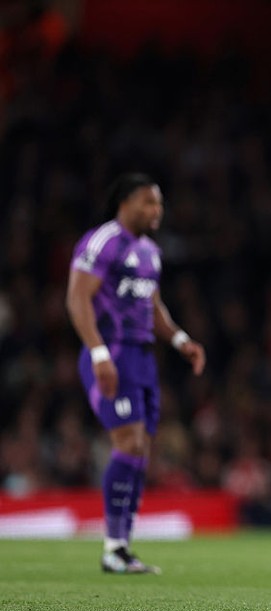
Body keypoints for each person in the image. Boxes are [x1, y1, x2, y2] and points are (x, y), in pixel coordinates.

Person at [66, 173, 206, 574]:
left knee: (141, 448)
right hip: (111, 351)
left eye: (159, 203)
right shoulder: (103, 241)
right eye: (148, 202)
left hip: (142, 357)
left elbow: (152, 306)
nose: (156, 210)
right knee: (127, 442)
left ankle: (123, 547)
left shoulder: (150, 252)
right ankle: (113, 548)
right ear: (124, 203)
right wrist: (98, 353)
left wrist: (179, 339)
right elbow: (77, 297)